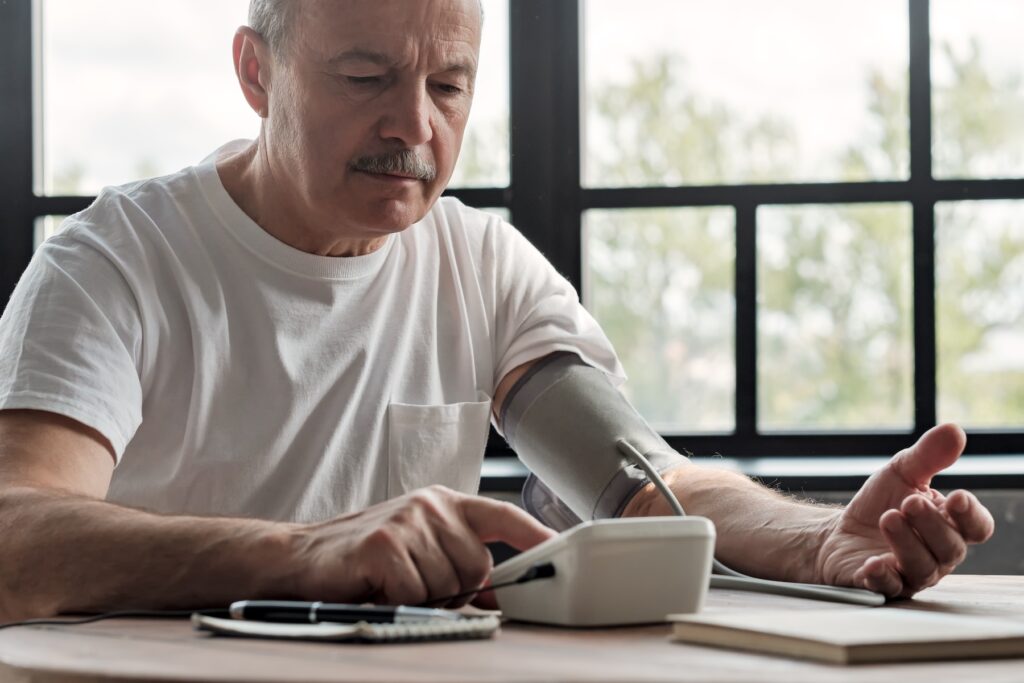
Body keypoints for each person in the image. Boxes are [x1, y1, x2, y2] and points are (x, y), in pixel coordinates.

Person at [0, 0, 993, 621]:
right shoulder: (113, 264)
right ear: (256, 73)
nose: (414, 125)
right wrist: (303, 552)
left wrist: (815, 543)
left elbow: (645, 486)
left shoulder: (477, 262)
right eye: (366, 78)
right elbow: (14, 535)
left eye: (448, 84)